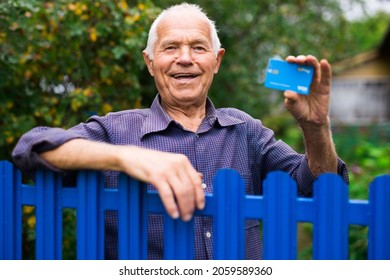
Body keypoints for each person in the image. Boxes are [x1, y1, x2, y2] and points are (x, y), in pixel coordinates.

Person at [12, 3, 348, 260]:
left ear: (216, 61)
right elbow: (32, 148)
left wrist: (316, 125)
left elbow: (319, 192)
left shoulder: (247, 131)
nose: (184, 59)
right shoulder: (116, 129)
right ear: (150, 62)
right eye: (171, 47)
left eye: (198, 48)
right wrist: (126, 157)